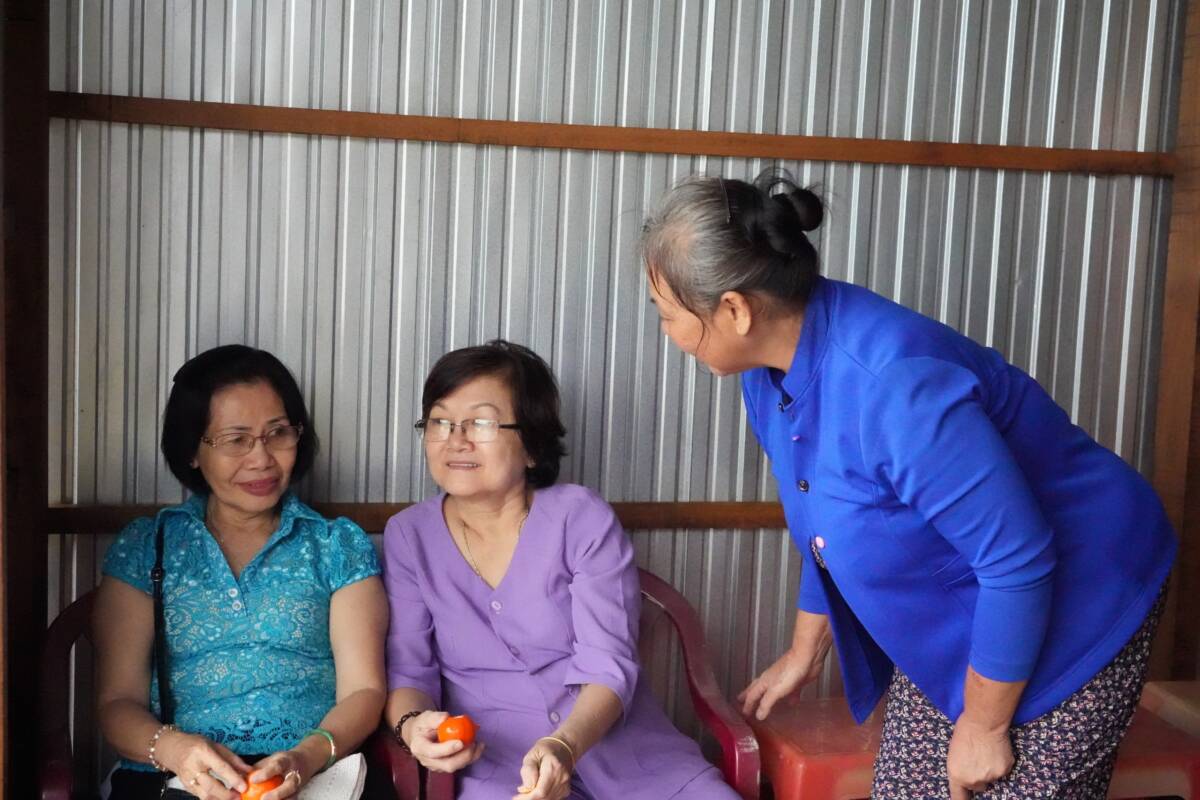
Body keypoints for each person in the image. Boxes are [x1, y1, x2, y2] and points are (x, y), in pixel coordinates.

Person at [639, 171, 1177, 799]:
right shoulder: (769, 371)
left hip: (1079, 588)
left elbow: (1017, 558)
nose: (666, 333)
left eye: (668, 314)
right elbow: (822, 519)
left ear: (735, 309)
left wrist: (983, 725)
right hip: (965, 603)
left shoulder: (894, 389)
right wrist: (807, 647)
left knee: (1005, 780)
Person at [382, 340, 739, 800]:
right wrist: (413, 726)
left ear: (532, 446)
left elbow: (609, 664)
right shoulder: (409, 536)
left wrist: (563, 746)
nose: (456, 439)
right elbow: (410, 670)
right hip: (500, 772)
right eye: (440, 421)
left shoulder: (579, 517)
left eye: (482, 423)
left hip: (633, 762)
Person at [94, 345, 389, 800]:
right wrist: (177, 751)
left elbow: (363, 690)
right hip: (176, 778)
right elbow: (118, 701)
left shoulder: (336, 547)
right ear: (192, 451)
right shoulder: (147, 547)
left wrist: (305, 757)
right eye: (236, 440)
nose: (262, 459)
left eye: (278, 433)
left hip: (312, 774)